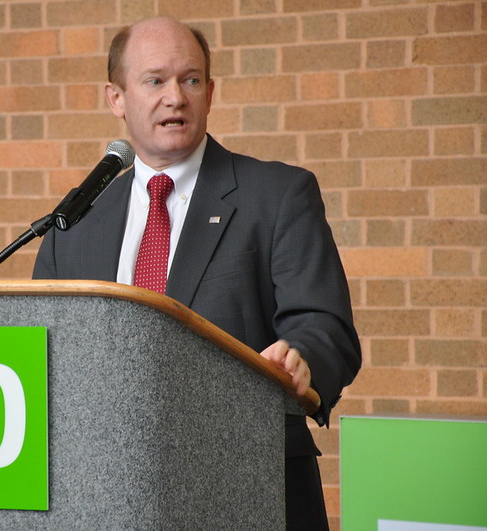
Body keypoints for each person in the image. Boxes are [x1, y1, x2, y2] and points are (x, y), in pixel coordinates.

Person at [32, 16, 361, 529]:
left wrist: (302, 360)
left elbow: (326, 327)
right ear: (116, 99)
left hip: (248, 484)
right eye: (155, 80)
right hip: (104, 493)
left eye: (190, 80)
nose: (175, 97)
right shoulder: (75, 221)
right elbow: (41, 350)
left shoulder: (276, 195)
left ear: (209, 92)